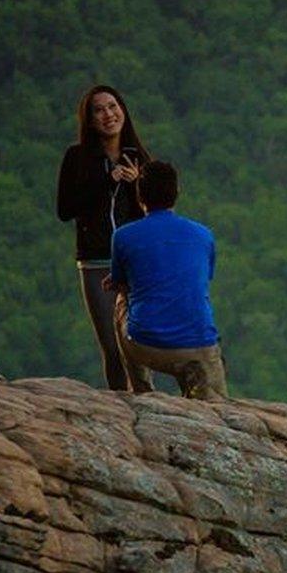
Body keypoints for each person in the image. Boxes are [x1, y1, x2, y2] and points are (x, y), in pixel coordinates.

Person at [106, 160, 228, 400]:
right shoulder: (204, 234)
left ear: (140, 196)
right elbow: (201, 280)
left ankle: (141, 390)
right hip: (199, 346)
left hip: (145, 345)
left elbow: (122, 285)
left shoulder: (123, 236)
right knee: (217, 407)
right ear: (176, 193)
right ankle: (196, 387)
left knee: (122, 301)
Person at [56, 85, 150, 390]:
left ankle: (149, 405)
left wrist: (138, 188)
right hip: (96, 260)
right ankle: (122, 406)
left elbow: (153, 214)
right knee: (112, 344)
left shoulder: (138, 158)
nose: (109, 114)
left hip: (134, 260)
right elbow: (65, 208)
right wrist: (106, 181)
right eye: (99, 109)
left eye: (113, 106)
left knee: (138, 341)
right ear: (90, 120)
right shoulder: (77, 157)